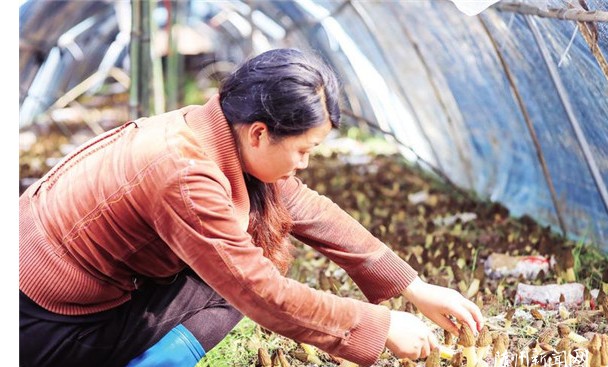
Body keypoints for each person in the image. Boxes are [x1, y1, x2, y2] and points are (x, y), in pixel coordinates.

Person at [19, 48, 484, 367]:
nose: (304, 165)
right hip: (42, 325)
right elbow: (258, 292)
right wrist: (378, 327)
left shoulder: (208, 129)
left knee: (248, 249)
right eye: (305, 150)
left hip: (38, 292)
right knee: (231, 289)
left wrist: (414, 287)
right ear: (260, 132)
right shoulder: (184, 174)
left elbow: (305, 207)